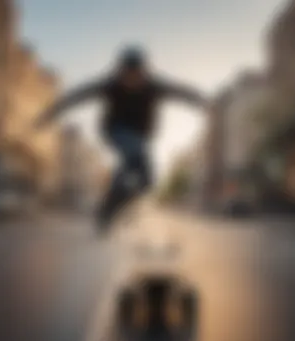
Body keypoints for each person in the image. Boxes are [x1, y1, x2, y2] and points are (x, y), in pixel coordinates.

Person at [36, 46, 208, 235]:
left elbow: (181, 92)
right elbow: (76, 96)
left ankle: (109, 209)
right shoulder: (109, 85)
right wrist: (48, 115)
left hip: (142, 136)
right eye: (127, 76)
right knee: (133, 151)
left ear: (144, 72)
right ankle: (118, 187)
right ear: (120, 72)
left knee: (147, 180)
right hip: (115, 130)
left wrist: (203, 102)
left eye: (136, 76)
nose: (132, 81)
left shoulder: (155, 85)